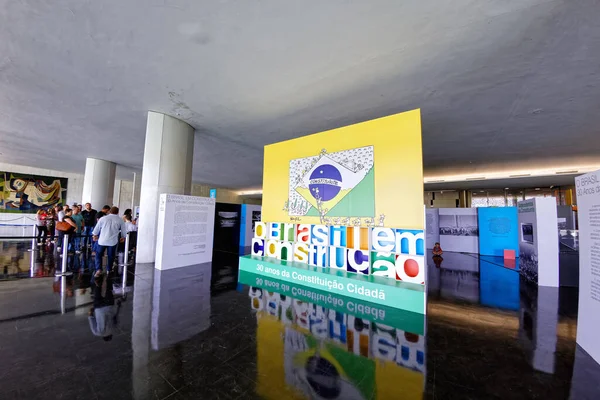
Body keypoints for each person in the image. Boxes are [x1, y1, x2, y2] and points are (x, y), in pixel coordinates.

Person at [92, 206, 127, 278]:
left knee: (98, 254)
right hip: (112, 241)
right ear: (117, 212)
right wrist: (123, 237)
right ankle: (109, 269)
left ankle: (98, 269)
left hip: (102, 240)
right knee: (111, 256)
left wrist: (95, 235)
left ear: (110, 211)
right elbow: (123, 230)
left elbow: (97, 228)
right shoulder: (120, 220)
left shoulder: (103, 218)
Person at [88, 273, 121, 341]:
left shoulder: (114, 328)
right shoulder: (97, 332)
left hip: (109, 305)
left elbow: (116, 316)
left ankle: (108, 274)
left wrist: (119, 305)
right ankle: (97, 277)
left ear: (110, 335)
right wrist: (91, 311)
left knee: (108, 289)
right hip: (98, 308)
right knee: (97, 290)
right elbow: (91, 318)